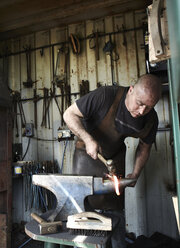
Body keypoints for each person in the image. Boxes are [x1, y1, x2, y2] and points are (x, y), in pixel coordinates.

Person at [63, 74, 162, 247]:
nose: (141, 112)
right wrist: (87, 139)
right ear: (131, 90)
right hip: (86, 153)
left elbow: (144, 148)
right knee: (84, 208)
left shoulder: (150, 119)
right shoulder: (106, 96)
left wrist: (136, 173)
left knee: (114, 211)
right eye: (139, 103)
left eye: (148, 107)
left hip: (114, 157)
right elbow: (69, 114)